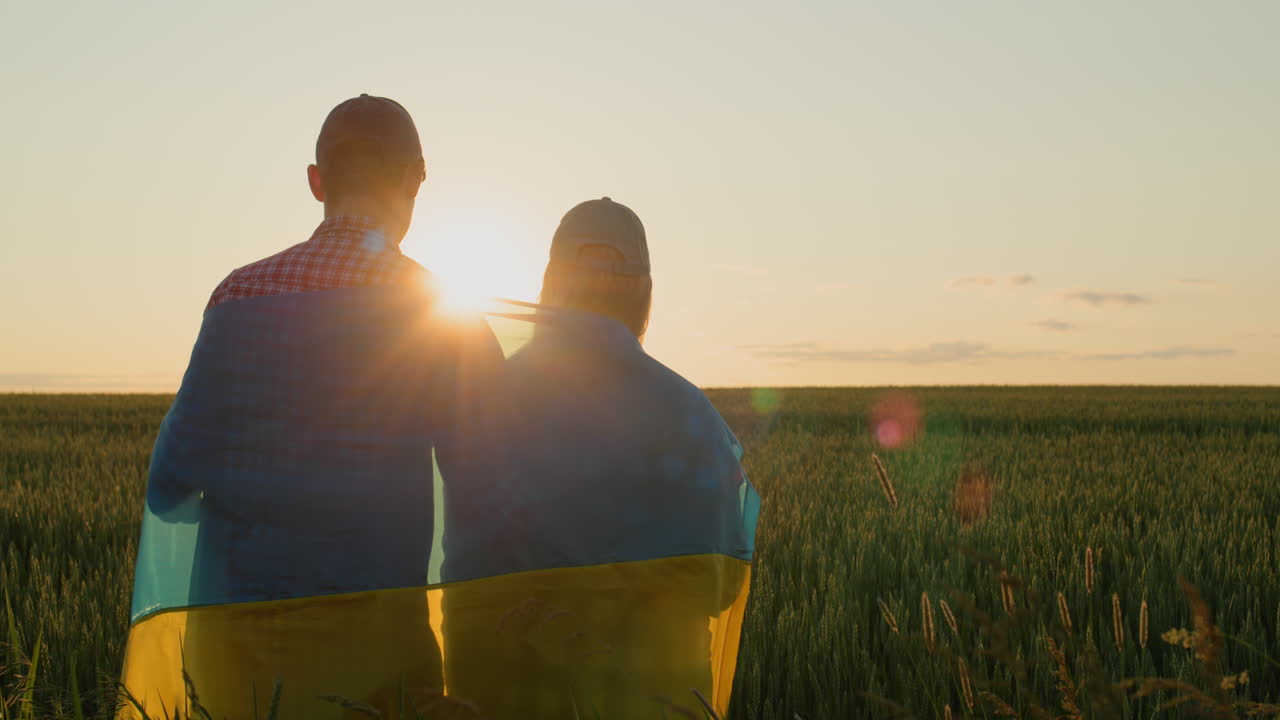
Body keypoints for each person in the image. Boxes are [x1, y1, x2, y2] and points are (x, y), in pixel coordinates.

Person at [119, 95, 499, 719]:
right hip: (375, 675)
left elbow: (168, 489)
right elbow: (493, 490)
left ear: (316, 182)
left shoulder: (235, 297)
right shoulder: (438, 312)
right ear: (416, 177)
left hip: (229, 672)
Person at [440, 198, 760, 719]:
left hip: (502, 698)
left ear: (549, 284)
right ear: (644, 292)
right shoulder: (690, 414)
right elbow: (718, 584)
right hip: (649, 702)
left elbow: (457, 568)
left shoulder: (480, 402)